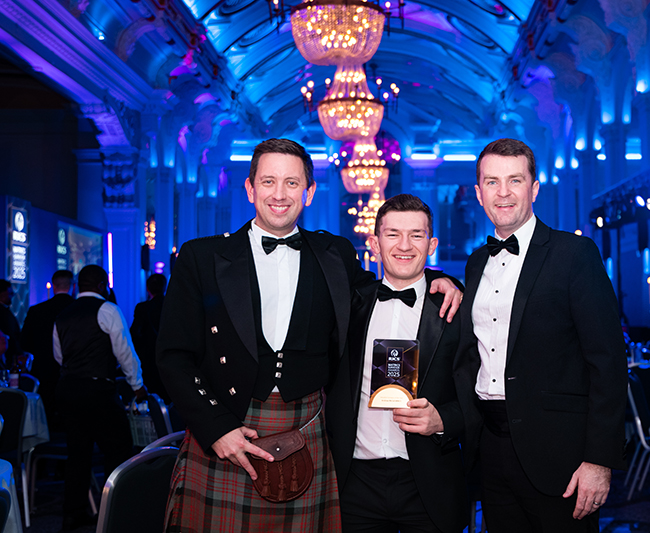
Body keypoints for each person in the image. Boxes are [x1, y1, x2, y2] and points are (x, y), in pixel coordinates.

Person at [156, 139, 460, 532]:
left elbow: (390, 283)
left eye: (292, 183)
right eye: (268, 181)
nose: (279, 194)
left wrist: (442, 281)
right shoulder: (202, 257)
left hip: (308, 427)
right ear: (250, 189)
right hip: (229, 428)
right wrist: (215, 428)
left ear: (309, 192)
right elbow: (172, 356)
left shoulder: (333, 253)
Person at [455, 138, 628, 532]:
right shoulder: (476, 262)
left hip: (560, 454)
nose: (503, 193)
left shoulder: (575, 254)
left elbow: (608, 362)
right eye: (492, 182)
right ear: (479, 192)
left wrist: (599, 460)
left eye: (514, 180)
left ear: (533, 188)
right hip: (491, 445)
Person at [326, 194, 467, 533]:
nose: (404, 245)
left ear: (431, 243)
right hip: (355, 481)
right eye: (392, 234)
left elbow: (481, 392)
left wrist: (443, 420)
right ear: (374, 243)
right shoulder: (348, 305)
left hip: (429, 479)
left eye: (416, 235)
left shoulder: (456, 311)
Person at [53, 264, 146, 530]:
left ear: (77, 286)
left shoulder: (63, 314)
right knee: (117, 449)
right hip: (98, 390)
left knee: (77, 452)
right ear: (102, 284)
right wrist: (137, 384)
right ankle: (116, 510)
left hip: (68, 389)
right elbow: (124, 352)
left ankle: (73, 512)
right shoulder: (108, 309)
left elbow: (60, 357)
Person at [21, 269, 74, 429]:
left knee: (46, 414)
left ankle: (42, 445)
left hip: (43, 369)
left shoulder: (36, 311)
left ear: (54, 286)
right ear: (72, 286)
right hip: (72, 370)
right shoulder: (78, 309)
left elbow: (25, 341)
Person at [130, 273, 169, 403]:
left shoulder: (143, 308)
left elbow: (135, 334)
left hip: (148, 359)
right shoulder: (171, 306)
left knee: (152, 399)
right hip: (168, 357)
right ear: (164, 287)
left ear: (147, 288)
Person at [0, 279, 22, 361]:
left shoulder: (5, 311)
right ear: (2, 295)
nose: (12, 296)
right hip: (8, 356)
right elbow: (11, 334)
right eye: (11, 293)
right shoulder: (4, 313)